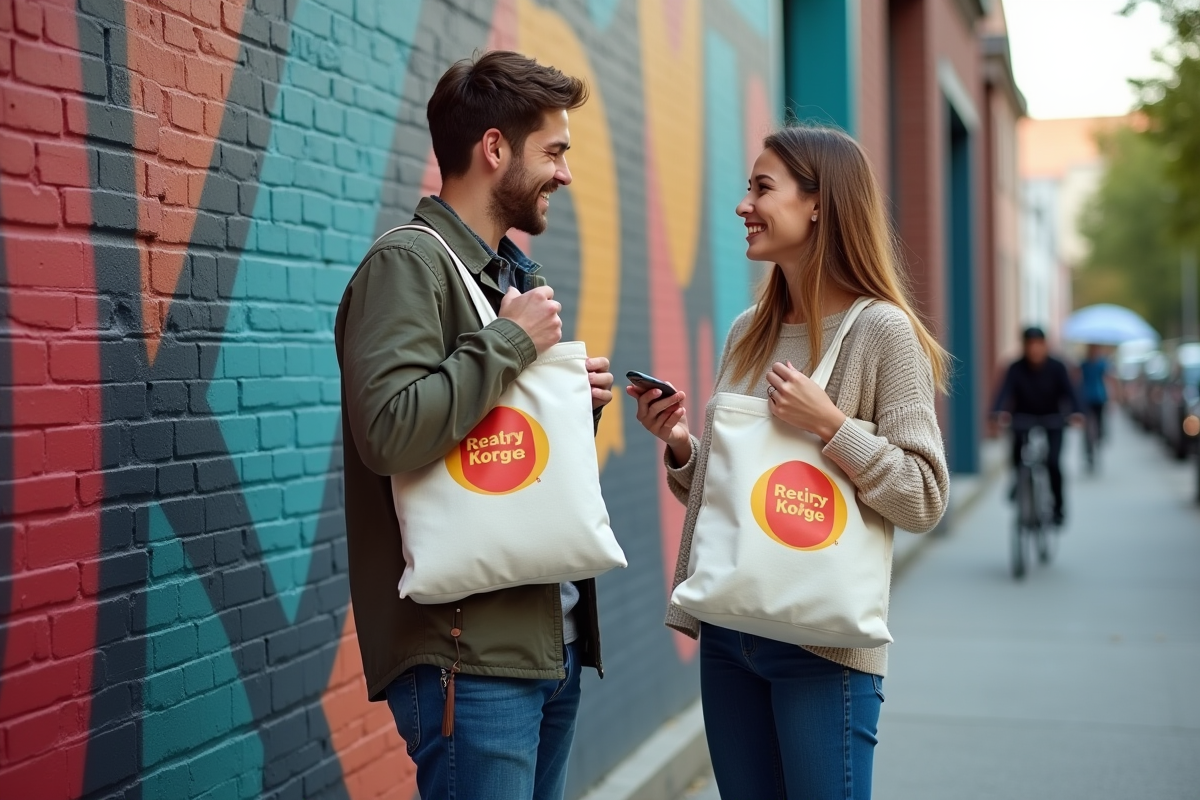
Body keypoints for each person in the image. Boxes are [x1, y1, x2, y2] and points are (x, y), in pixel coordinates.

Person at [627, 125, 950, 800]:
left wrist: (831, 425)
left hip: (823, 646)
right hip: (730, 631)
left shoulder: (882, 332)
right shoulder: (750, 331)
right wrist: (681, 445)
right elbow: (738, 492)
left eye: (762, 188)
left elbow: (924, 496)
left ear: (818, 204)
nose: (743, 205)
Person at [334, 51, 614, 800]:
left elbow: (499, 452)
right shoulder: (407, 266)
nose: (564, 173)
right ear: (495, 148)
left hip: (546, 642)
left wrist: (570, 407)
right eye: (553, 151)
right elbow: (390, 429)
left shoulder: (514, 276)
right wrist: (511, 343)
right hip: (470, 656)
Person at [991, 327, 1083, 525]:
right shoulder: (1015, 368)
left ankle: (1058, 508)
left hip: (1053, 419)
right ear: (1024, 346)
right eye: (1030, 344)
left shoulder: (1057, 367)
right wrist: (997, 411)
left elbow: (1070, 392)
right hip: (1023, 418)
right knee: (1017, 454)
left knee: (1053, 463)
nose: (1034, 349)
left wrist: (1076, 412)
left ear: (1045, 345)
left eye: (1038, 344)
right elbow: (1004, 391)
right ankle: (1019, 481)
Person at [1078, 344, 1110, 462]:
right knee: (1087, 425)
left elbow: (1107, 378)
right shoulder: (1084, 364)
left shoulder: (1101, 364)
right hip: (1086, 397)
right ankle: (1089, 448)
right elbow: (1077, 378)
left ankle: (1098, 438)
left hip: (1099, 397)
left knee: (1099, 422)